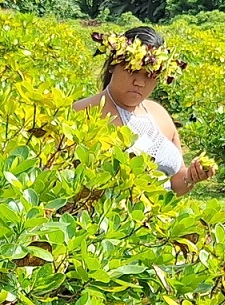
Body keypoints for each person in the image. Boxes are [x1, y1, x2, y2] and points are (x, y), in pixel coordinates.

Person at [75, 27, 212, 195]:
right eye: (132, 71)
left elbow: (176, 182)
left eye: (150, 75)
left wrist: (192, 176)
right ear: (113, 65)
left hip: (159, 217)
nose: (139, 83)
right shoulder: (82, 113)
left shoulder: (159, 113)